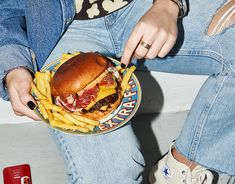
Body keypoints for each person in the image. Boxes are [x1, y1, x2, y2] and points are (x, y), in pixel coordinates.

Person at [0, 0, 234, 183]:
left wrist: (168, 4)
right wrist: (13, 65)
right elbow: (6, 9)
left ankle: (174, 172)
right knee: (110, 173)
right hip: (60, 31)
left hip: (139, 9)